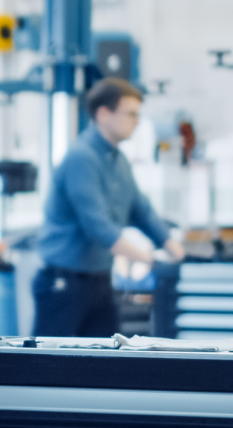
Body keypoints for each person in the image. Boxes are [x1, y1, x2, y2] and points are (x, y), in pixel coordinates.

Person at [33, 76, 183, 336]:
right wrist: (148, 258)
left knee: (104, 365)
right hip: (64, 284)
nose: (137, 122)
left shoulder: (118, 160)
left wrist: (170, 244)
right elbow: (98, 226)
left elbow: (140, 210)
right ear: (104, 114)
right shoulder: (82, 158)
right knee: (49, 369)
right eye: (131, 114)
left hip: (99, 280)